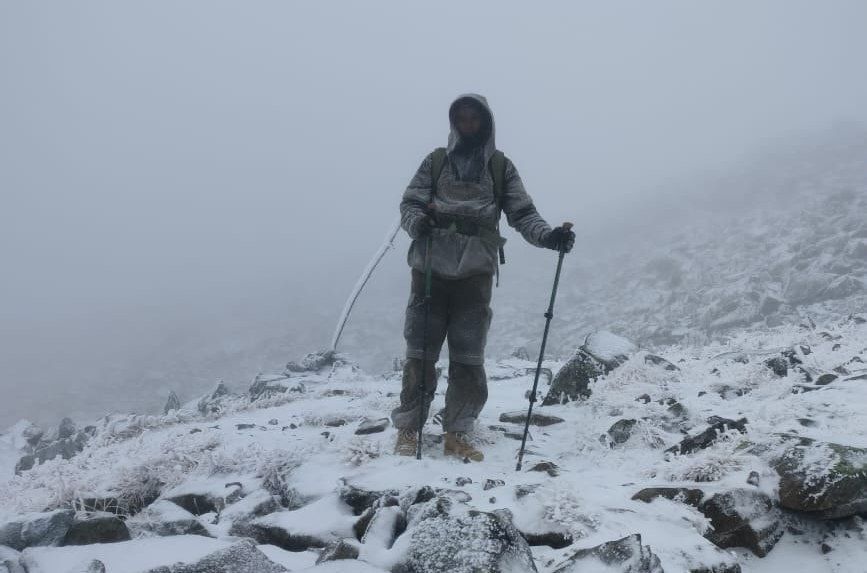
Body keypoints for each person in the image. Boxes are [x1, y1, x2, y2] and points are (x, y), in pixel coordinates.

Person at [391, 93, 574, 461]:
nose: (467, 124)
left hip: (476, 271)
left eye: (474, 118)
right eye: (461, 118)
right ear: (454, 122)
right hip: (429, 265)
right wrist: (417, 223)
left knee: (468, 356)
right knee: (420, 350)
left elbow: (522, 214)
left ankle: (457, 432)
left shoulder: (500, 167)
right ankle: (409, 427)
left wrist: (550, 237)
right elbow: (410, 203)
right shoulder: (436, 161)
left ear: (486, 122)